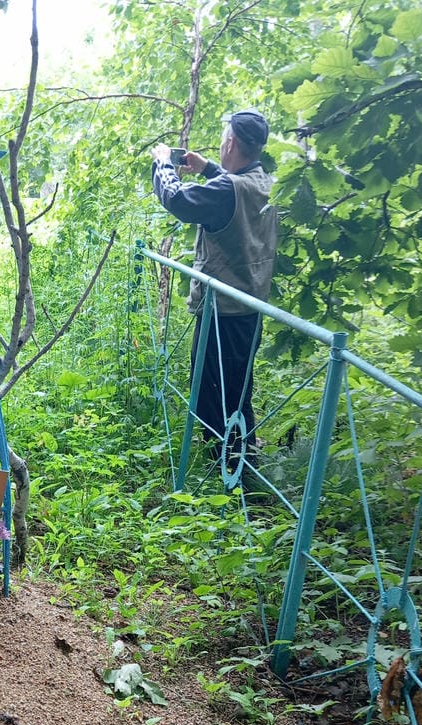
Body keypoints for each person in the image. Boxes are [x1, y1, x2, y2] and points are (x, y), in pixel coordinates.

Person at [150, 110, 278, 471]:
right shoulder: (264, 181)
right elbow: (234, 189)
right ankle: (240, 463)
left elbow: (178, 201)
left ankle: (228, 470)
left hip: (221, 311)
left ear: (231, 142)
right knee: (237, 390)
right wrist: (207, 168)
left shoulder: (227, 190)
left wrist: (164, 165)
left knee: (211, 395)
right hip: (250, 306)